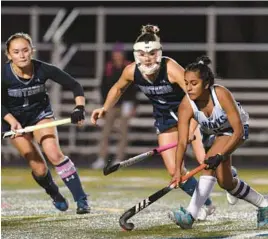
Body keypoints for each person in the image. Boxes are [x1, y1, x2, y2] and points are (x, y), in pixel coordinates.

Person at [91, 24, 216, 220]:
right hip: (164, 119)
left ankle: (229, 179)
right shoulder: (131, 71)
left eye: (151, 53)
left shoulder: (171, 68)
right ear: (136, 55)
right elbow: (117, 89)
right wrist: (105, 108)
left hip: (187, 114)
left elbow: (195, 95)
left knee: (205, 163)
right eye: (142, 53)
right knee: (175, 171)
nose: (147, 58)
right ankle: (206, 205)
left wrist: (192, 126)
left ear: (159, 52)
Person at [168, 55, 268, 229]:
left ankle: (190, 215)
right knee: (225, 182)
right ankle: (264, 205)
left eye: (194, 83)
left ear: (206, 84)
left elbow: (237, 132)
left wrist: (220, 155)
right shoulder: (186, 105)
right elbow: (182, 142)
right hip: (218, 134)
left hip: (237, 129)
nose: (189, 88)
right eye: (186, 83)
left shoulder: (220, 94)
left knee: (209, 162)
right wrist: (177, 171)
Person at [2, 32, 90, 214]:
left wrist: (79, 108)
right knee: (39, 168)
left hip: (40, 115)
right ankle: (55, 194)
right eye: (16, 52)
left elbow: (75, 85)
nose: (22, 55)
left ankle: (81, 200)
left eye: (25, 50)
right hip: (13, 120)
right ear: (9, 55)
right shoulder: (3, 74)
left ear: (32, 51)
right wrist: (12, 121)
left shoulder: (43, 69)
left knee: (54, 154)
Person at [92, 42, 138, 169]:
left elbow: (135, 87)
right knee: (105, 131)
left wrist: (133, 104)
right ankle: (101, 158)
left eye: (119, 53)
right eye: (115, 53)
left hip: (125, 104)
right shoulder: (109, 68)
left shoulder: (129, 67)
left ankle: (119, 159)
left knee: (123, 132)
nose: (117, 56)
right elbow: (103, 87)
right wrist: (104, 105)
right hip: (112, 104)